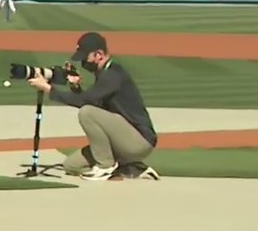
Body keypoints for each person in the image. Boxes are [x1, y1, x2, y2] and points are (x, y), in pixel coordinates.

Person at [26, 32, 160, 181]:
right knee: (71, 166)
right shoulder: (103, 74)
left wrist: (49, 89)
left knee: (86, 112)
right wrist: (75, 87)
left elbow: (86, 103)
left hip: (139, 141)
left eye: (85, 57)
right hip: (121, 139)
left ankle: (105, 166)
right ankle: (132, 168)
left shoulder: (113, 74)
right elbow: (95, 103)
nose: (83, 61)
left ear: (99, 54)